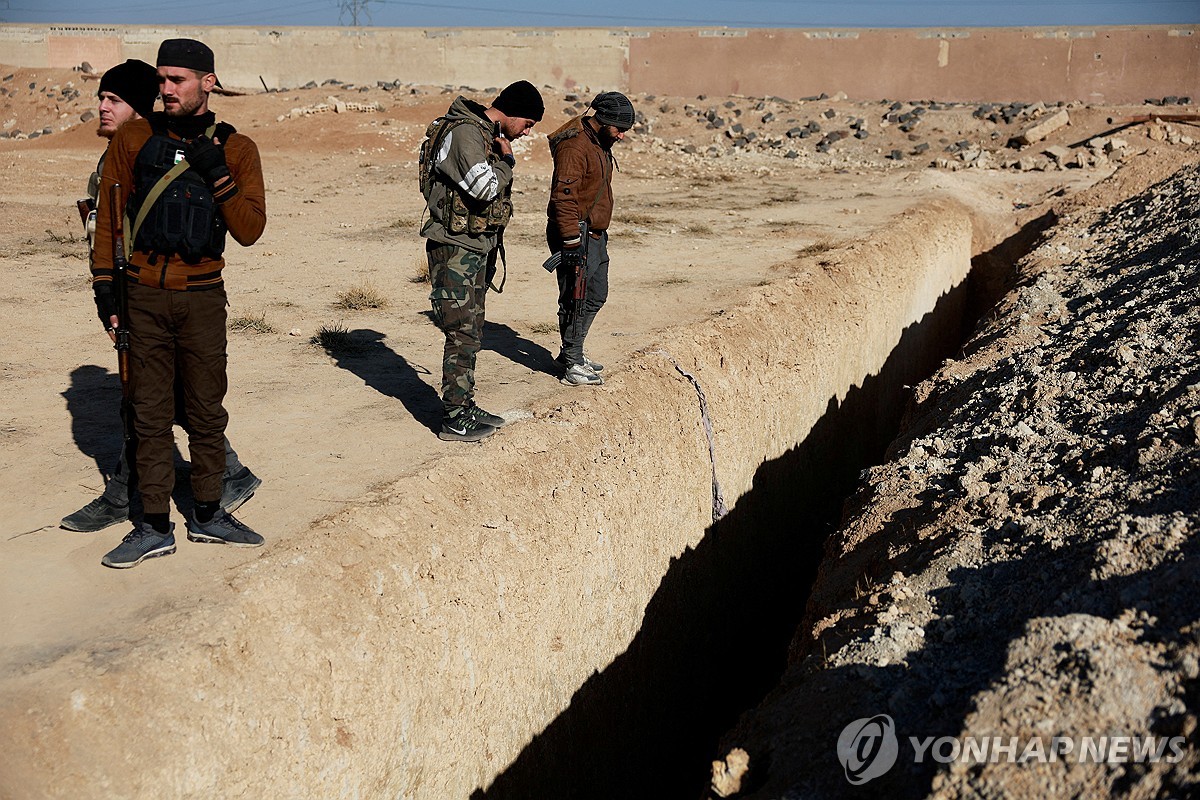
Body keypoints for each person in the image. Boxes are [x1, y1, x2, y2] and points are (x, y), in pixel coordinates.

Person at [61, 58, 261, 535]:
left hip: (196, 296)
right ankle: (146, 507)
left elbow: (249, 228)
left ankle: (212, 492)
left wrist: (218, 172)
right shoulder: (129, 148)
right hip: (140, 294)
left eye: (115, 99)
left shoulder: (228, 147)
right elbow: (107, 226)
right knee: (149, 405)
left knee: (190, 404)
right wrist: (105, 289)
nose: (103, 107)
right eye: (102, 98)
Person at [419, 80, 544, 441]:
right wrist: (506, 162)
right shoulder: (466, 134)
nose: (526, 132)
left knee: (471, 330)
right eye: (528, 123)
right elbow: (484, 188)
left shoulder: (481, 133)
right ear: (514, 111)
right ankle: (455, 417)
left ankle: (464, 405)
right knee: (461, 330)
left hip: (472, 246)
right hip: (454, 247)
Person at [545, 91, 634, 386]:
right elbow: (564, 196)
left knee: (596, 294)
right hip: (576, 233)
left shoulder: (599, 142)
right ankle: (571, 365)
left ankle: (573, 352)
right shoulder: (575, 146)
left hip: (595, 233)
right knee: (576, 298)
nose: (621, 136)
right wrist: (570, 239)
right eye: (620, 129)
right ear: (604, 120)